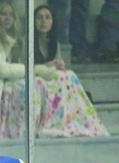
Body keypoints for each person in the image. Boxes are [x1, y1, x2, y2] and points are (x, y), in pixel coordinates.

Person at [0, 0, 107, 139]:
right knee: (37, 86)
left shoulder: (50, 42)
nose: (8, 18)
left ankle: (70, 122)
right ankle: (42, 126)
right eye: (3, 14)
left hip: (4, 82)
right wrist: (36, 69)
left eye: (11, 14)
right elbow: (2, 69)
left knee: (68, 77)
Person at [32, 5, 109, 138]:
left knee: (69, 75)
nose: (43, 21)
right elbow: (24, 66)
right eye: (39, 18)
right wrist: (48, 65)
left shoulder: (55, 42)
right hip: (36, 79)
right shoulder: (26, 42)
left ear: (52, 21)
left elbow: (57, 65)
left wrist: (59, 65)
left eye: (47, 18)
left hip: (50, 80)